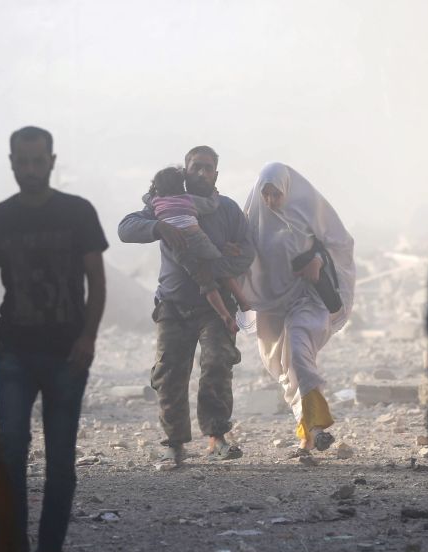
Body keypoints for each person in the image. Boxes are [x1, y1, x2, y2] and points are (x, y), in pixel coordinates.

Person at [0, 126, 107, 552]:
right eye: (22, 161)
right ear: (11, 162)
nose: (29, 169)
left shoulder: (78, 213)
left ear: (52, 160)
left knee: (61, 461)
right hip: (13, 351)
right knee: (10, 451)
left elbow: (97, 281)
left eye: (37, 161)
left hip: (67, 354)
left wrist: (87, 337)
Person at [118, 146, 253, 469]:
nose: (203, 173)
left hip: (216, 306)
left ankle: (217, 436)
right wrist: (157, 228)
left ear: (216, 174)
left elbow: (247, 253)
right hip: (173, 305)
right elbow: (125, 228)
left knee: (217, 364)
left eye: (209, 168)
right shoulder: (163, 204)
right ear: (185, 170)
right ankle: (174, 444)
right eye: (197, 167)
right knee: (169, 374)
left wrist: (215, 262)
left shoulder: (228, 210)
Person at [241, 163, 355, 461]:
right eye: (265, 194)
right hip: (271, 305)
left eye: (276, 193)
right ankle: (310, 435)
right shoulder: (252, 221)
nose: (270, 200)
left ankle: (316, 425)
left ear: (287, 190)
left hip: (307, 298)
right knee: (283, 369)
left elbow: (339, 242)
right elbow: (241, 255)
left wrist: (317, 258)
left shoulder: (307, 211)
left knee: (300, 356)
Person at [148, 166, 251, 333]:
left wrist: (158, 220)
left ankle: (224, 315)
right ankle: (243, 300)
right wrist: (215, 195)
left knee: (206, 283)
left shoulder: (155, 202)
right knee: (220, 268)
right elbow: (210, 205)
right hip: (197, 239)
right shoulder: (187, 199)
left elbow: (146, 199)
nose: (201, 174)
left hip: (180, 248)